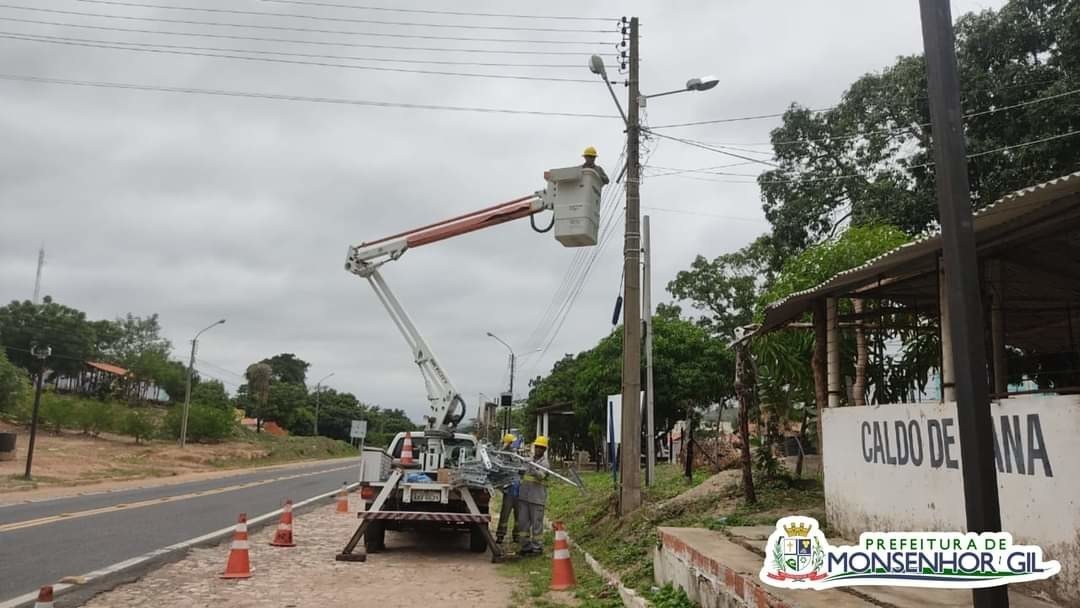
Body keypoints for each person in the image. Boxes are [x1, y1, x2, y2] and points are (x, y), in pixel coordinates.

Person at [515, 436, 550, 556]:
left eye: (541, 447)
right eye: (537, 447)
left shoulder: (545, 463)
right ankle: (525, 546)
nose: (538, 449)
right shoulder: (529, 459)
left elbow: (541, 476)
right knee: (522, 523)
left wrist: (532, 468)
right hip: (524, 497)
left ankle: (537, 548)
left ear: (544, 449)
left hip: (537, 498)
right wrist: (521, 468)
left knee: (537, 525)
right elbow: (521, 473)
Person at [494, 433, 519, 545]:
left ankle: (517, 535)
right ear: (508, 443)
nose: (514, 445)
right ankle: (500, 535)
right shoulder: (501, 457)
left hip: (518, 491)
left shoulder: (516, 456)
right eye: (512, 442)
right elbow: (497, 475)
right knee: (505, 515)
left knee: (519, 515)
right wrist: (502, 489)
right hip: (509, 491)